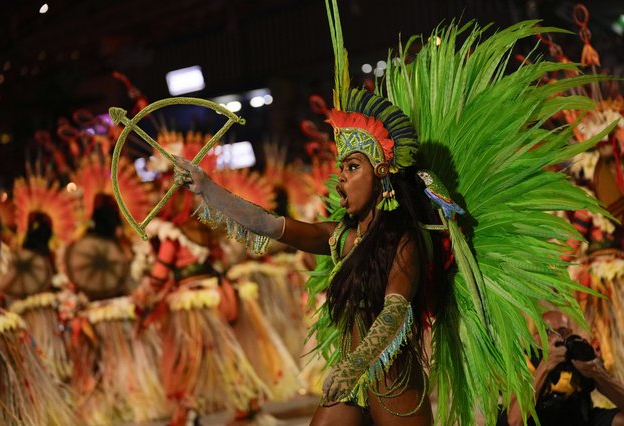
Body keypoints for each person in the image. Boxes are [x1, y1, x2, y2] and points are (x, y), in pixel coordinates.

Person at [125, 1, 614, 424]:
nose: (340, 176)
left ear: (380, 174)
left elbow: (396, 314)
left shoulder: (404, 239)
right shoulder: (340, 237)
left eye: (352, 166)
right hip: (353, 383)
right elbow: (270, 225)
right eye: (340, 167)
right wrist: (208, 188)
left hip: (394, 393)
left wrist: (353, 367)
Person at [501, 311, 624, 426]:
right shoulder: (525, 363)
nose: (557, 338)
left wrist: (598, 374)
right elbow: (515, 421)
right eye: (549, 332)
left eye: (562, 332)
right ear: (536, 338)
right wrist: (545, 366)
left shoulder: (577, 356)